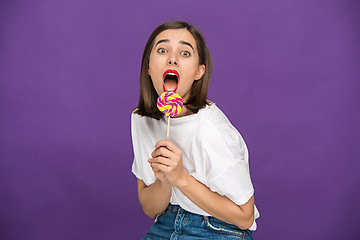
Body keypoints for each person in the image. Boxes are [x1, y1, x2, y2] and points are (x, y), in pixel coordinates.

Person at [131, 20, 260, 239]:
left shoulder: (212, 130)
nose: (172, 58)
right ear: (148, 67)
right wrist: (164, 179)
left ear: (199, 71)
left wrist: (180, 177)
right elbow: (151, 209)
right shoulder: (142, 120)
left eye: (185, 53)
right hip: (166, 223)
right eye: (162, 50)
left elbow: (245, 217)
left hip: (219, 228)